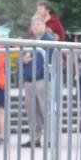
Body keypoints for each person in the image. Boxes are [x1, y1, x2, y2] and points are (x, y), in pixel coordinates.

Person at [20, 15, 56, 148]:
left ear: (44, 26)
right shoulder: (30, 41)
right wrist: (23, 61)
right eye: (33, 25)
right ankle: (35, 138)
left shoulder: (50, 40)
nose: (35, 27)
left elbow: (54, 60)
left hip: (43, 79)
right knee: (31, 111)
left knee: (46, 109)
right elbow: (22, 59)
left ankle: (50, 138)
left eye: (38, 24)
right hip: (30, 80)